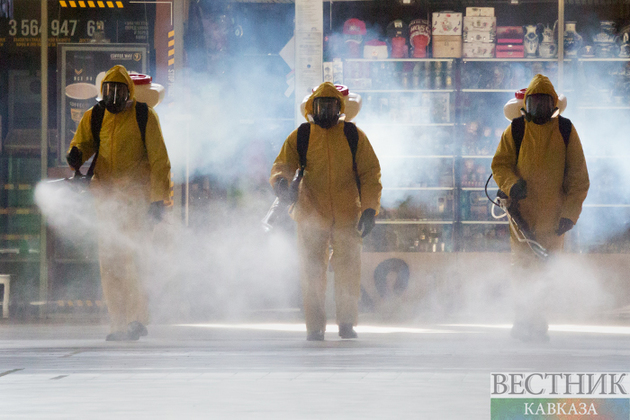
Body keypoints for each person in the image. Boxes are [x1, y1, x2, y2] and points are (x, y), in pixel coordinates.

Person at [66, 65, 172, 341]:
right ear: (103, 92)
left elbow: (160, 160)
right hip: (106, 200)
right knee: (111, 262)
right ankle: (118, 324)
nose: (114, 96)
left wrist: (158, 200)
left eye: (119, 91)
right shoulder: (95, 116)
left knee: (134, 259)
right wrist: (76, 154)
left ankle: (137, 319)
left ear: (129, 92)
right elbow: (83, 142)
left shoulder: (143, 116)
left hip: (137, 199)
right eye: (109, 91)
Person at [270, 82, 382, 341]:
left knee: (348, 270)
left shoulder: (354, 136)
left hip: (347, 214)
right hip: (311, 214)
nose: (326, 111)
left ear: (339, 108)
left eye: (331, 106)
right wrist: (281, 182)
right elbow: (283, 164)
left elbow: (370, 175)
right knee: (311, 271)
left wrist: (368, 210)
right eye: (321, 106)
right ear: (312, 107)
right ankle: (315, 327)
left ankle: (346, 323)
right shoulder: (302, 135)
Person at [491, 74, 590, 342]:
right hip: (521, 214)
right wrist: (512, 185)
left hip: (554, 217)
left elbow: (578, 178)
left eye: (545, 103)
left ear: (554, 104)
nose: (540, 108)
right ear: (526, 106)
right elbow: (500, 165)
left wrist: (569, 215)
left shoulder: (566, 131)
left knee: (546, 271)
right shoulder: (515, 130)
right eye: (535, 103)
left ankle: (538, 322)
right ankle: (523, 320)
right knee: (522, 267)